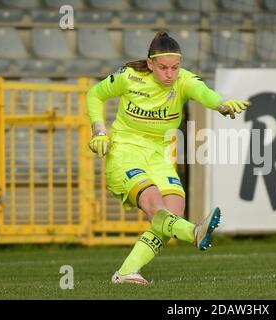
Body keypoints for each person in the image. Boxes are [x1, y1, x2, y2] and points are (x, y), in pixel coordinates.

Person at [86, 31, 250, 284]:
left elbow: (203, 91)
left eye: (175, 68)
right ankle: (194, 232)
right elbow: (94, 94)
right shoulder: (129, 77)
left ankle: (127, 272)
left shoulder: (182, 81)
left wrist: (222, 103)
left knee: (170, 214)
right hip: (125, 151)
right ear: (150, 64)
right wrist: (99, 130)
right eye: (163, 68)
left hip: (160, 155)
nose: (169, 74)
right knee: (156, 206)